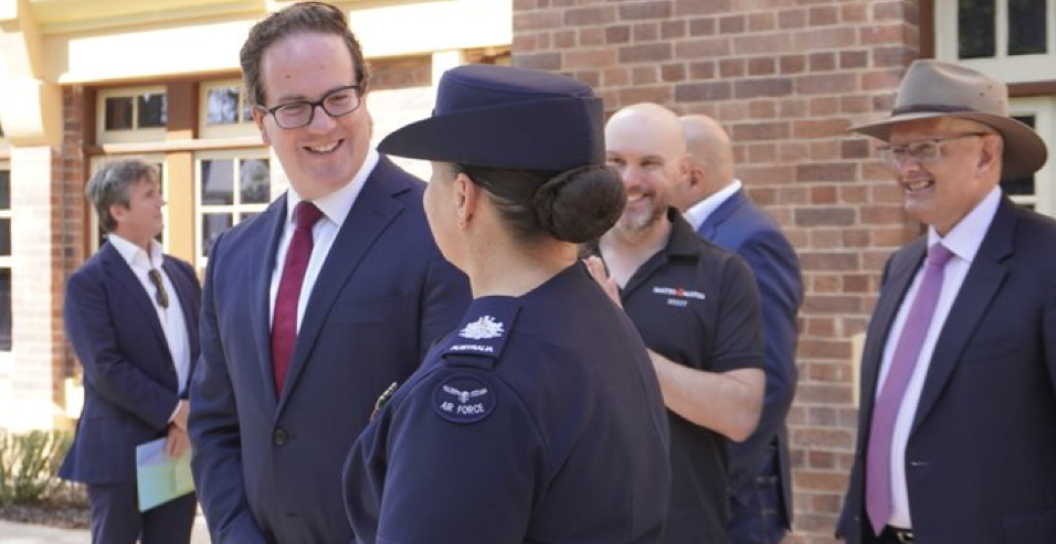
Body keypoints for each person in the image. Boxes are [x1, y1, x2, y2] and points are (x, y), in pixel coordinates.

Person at [341, 64, 671, 544]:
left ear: (462, 197)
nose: (425, 199)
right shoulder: (598, 317)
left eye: (432, 181)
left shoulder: (476, 386)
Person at [187, 3, 470, 543]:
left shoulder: (443, 230)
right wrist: (236, 533)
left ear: (365, 97)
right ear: (260, 122)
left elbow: (447, 435)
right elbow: (216, 424)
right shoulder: (232, 254)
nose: (323, 124)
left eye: (339, 98)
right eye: (294, 107)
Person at [837, 59, 1056, 544]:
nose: (906, 169)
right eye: (896, 152)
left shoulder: (1047, 262)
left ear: (985, 155)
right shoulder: (902, 265)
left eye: (925, 149)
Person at [585, 102, 766, 544]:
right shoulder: (560, 260)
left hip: (681, 528)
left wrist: (623, 340)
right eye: (616, 162)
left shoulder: (723, 274)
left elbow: (740, 414)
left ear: (684, 171)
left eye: (650, 164)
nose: (630, 180)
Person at [677, 114, 803, 544]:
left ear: (691, 173)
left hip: (737, 490)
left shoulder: (750, 240)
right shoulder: (706, 233)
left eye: (658, 165)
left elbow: (771, 380)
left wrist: (713, 477)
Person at [61, 159, 200, 544]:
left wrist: (187, 417)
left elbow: (208, 349)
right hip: (120, 451)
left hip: (177, 446)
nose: (162, 202)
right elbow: (105, 367)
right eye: (149, 195)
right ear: (117, 211)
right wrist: (176, 412)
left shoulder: (181, 272)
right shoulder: (89, 283)